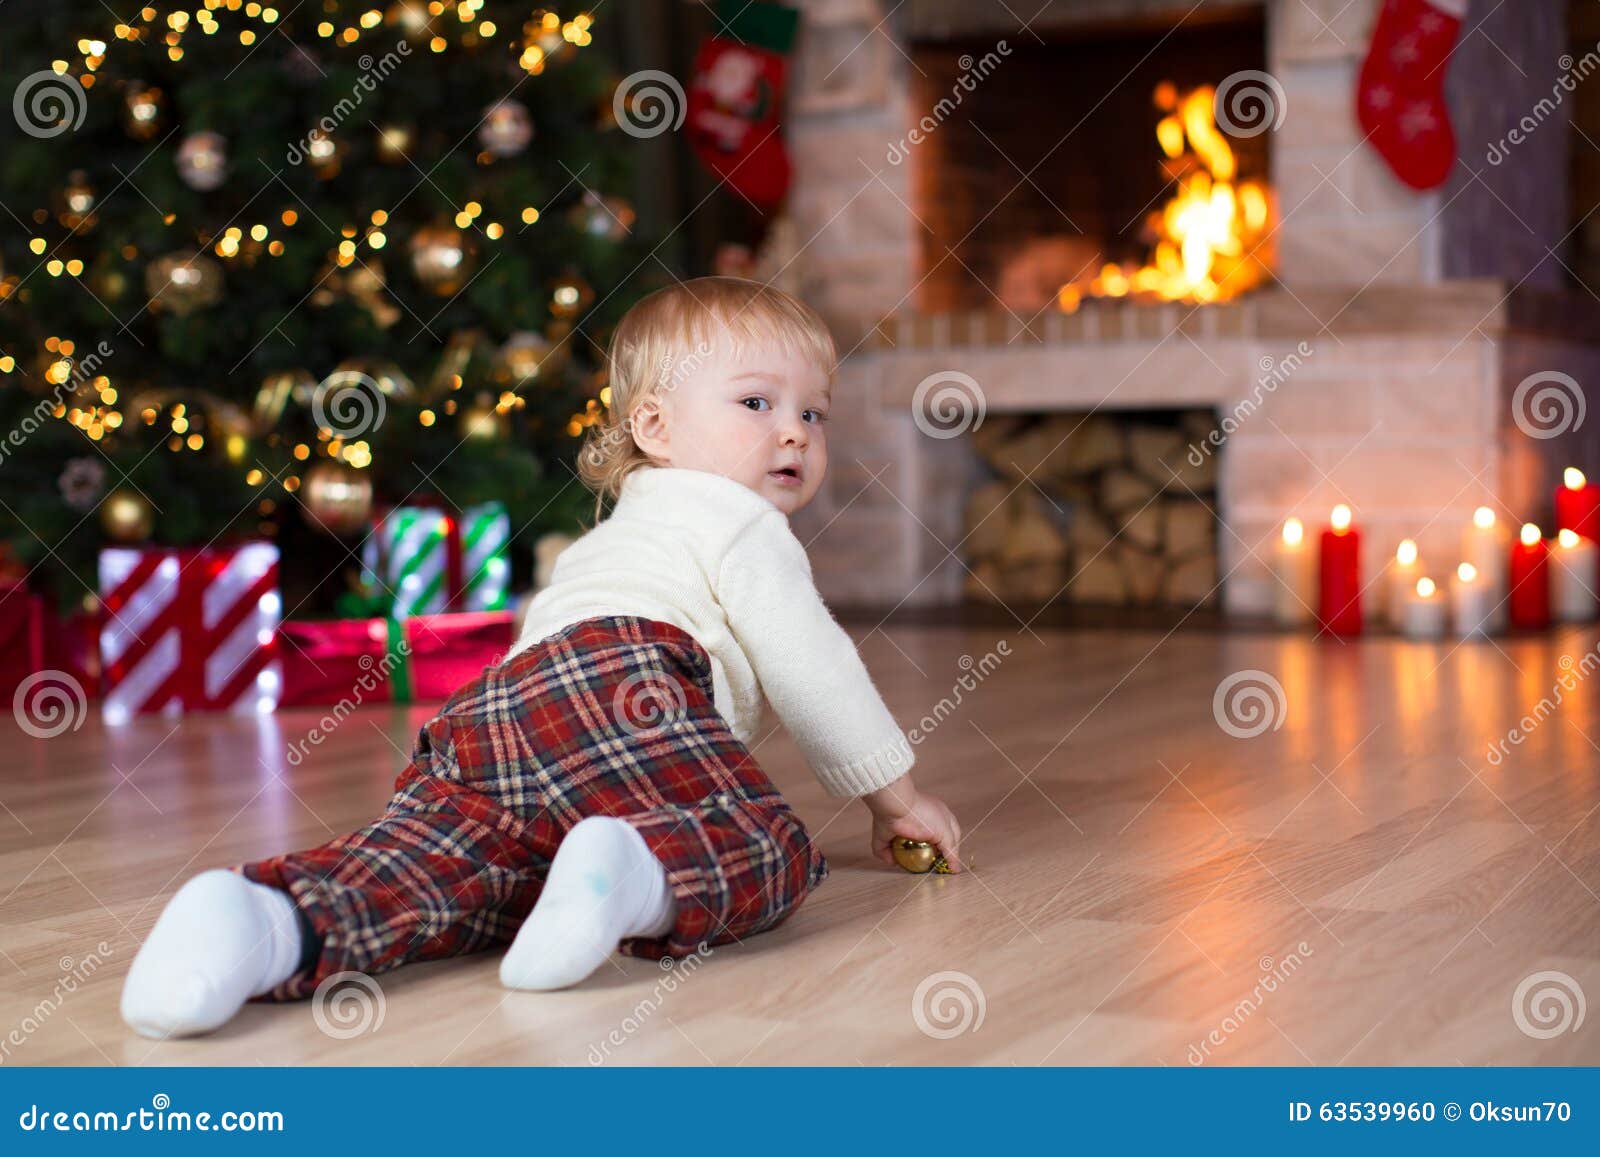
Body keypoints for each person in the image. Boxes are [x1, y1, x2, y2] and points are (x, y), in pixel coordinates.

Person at [119, 276, 964, 1040]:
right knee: (766, 844)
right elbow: (814, 665)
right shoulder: (742, 524)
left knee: (453, 873)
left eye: (812, 413)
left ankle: (267, 916)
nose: (793, 433)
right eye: (756, 402)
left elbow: (545, 654)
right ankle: (631, 870)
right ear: (655, 426)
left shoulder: (619, 530)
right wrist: (894, 798)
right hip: (633, 685)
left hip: (492, 714)